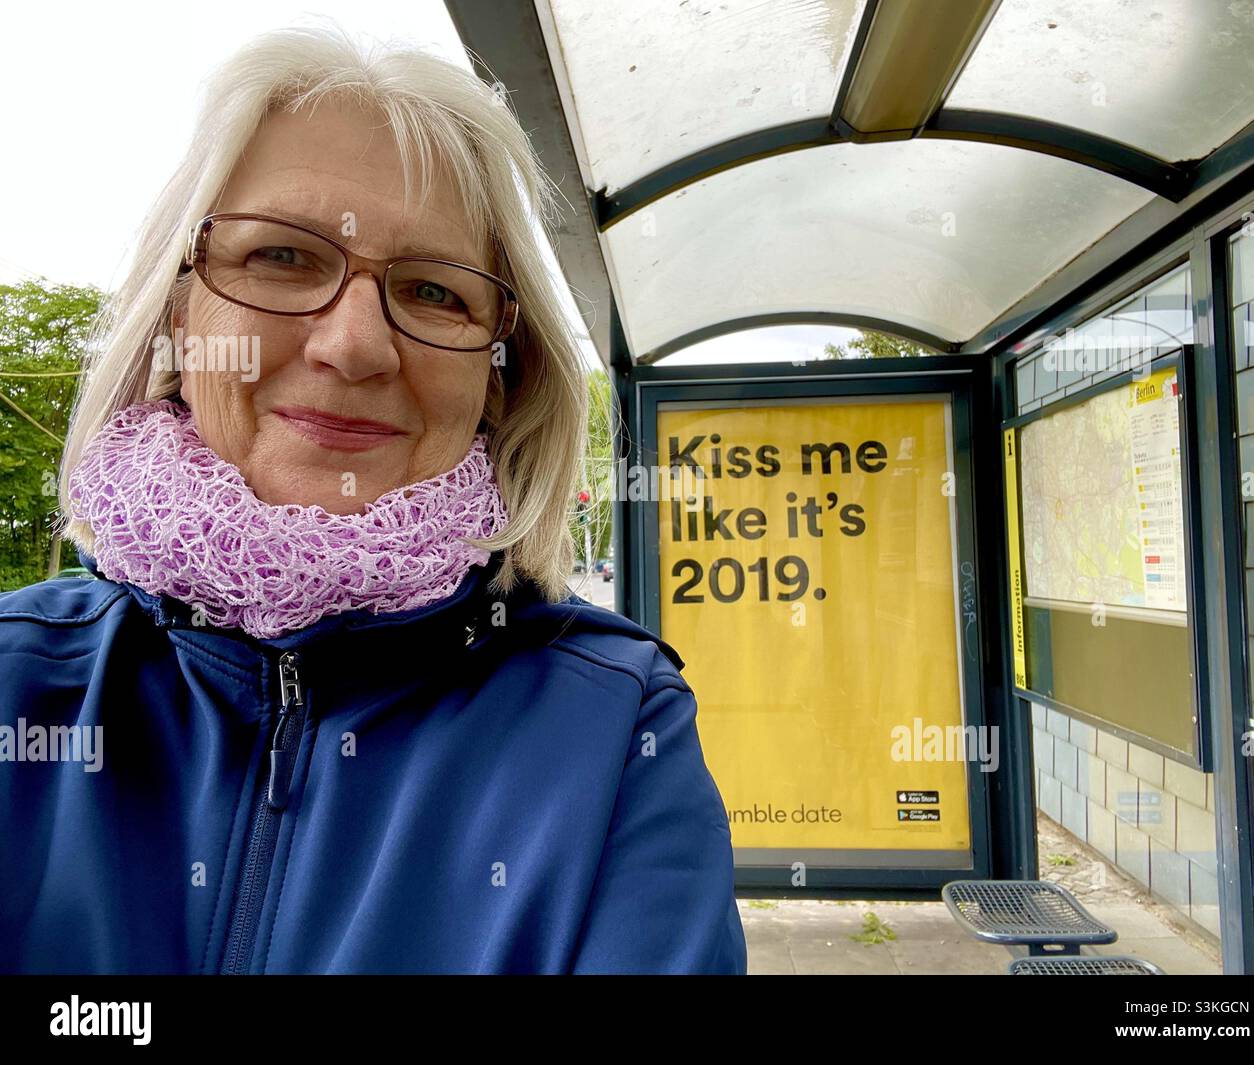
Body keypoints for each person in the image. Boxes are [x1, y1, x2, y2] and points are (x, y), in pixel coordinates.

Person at [0, 25, 746, 975]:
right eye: (283, 258)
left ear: (500, 370)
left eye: (435, 289)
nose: (353, 346)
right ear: (178, 310)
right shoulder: (20, 678)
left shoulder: (615, 728)